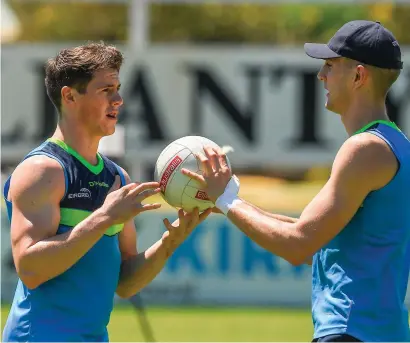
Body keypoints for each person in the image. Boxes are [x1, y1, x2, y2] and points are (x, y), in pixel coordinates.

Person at [182, 20, 410, 342]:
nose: (321, 76)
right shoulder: (396, 145)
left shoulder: (364, 149)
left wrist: (227, 200)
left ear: (358, 75)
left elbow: (298, 244)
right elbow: (312, 241)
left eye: (330, 66)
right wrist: (228, 202)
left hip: (351, 330)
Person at [2, 42, 211, 342]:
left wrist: (170, 241)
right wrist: (103, 217)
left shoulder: (116, 177)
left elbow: (125, 283)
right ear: (69, 95)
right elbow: (30, 269)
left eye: (118, 88)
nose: (119, 100)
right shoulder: (43, 171)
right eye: (106, 90)